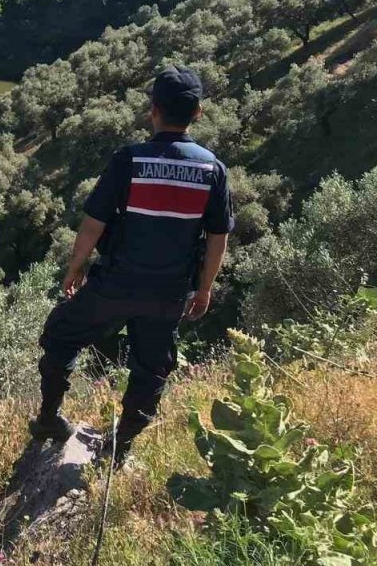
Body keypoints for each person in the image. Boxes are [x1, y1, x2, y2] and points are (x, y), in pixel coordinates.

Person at [28, 66, 233, 466]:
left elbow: (95, 222)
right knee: (152, 367)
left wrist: (75, 266)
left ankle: (50, 418)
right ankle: (120, 447)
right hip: (169, 292)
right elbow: (217, 237)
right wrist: (204, 288)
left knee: (60, 335)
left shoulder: (130, 160)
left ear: (152, 110)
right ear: (199, 113)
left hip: (116, 286)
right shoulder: (212, 170)